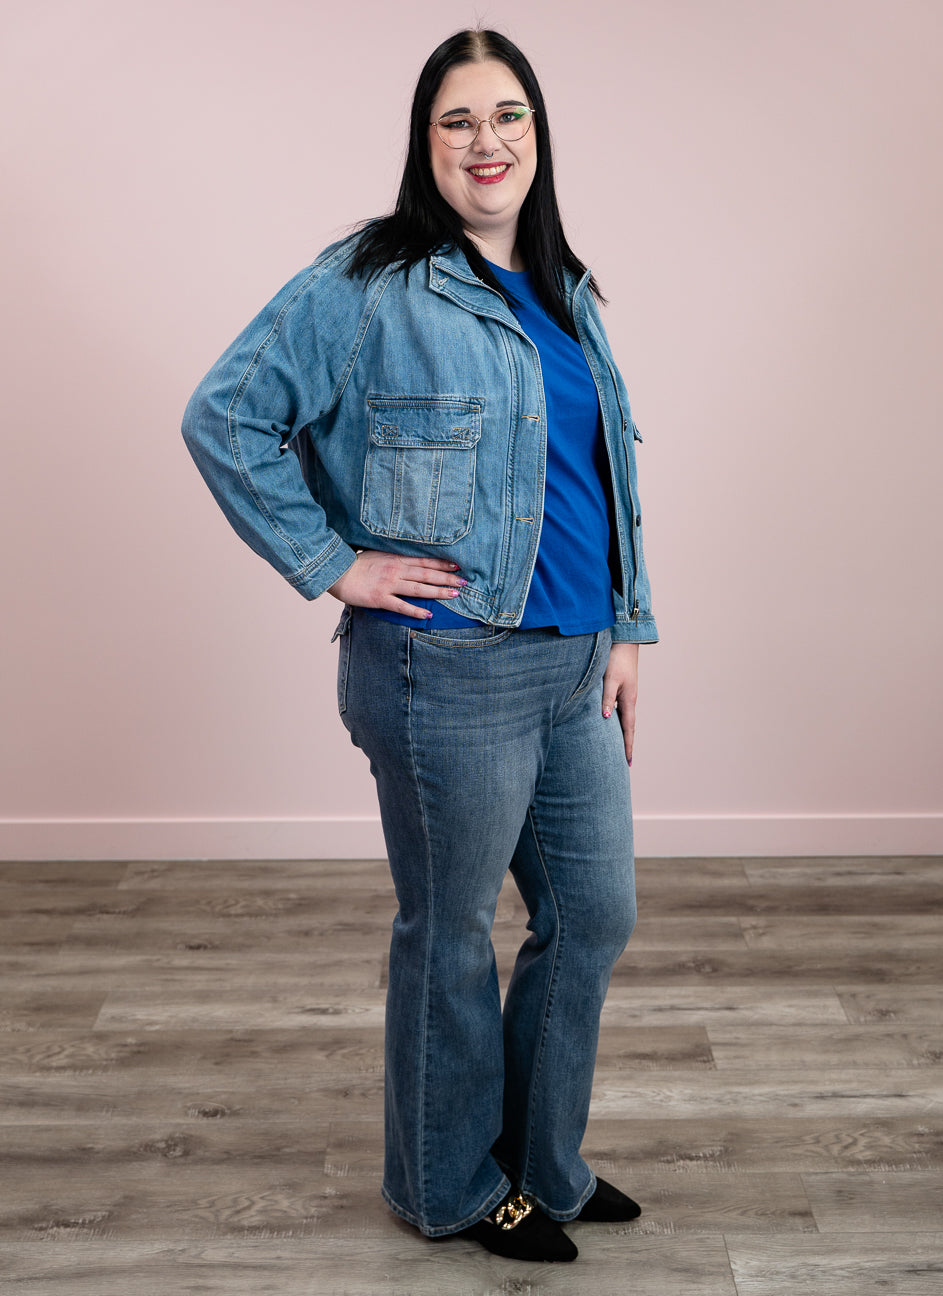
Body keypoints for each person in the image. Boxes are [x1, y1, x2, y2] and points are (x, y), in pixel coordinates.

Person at [182, 27, 657, 1264]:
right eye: (458, 120)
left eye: (507, 116)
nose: (485, 140)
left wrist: (628, 626)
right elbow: (225, 416)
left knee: (593, 916)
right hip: (447, 670)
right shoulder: (370, 282)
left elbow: (605, 478)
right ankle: (446, 1185)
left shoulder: (566, 287)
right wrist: (334, 564)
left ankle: (541, 1166)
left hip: (574, 662)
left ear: (537, 135)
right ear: (425, 142)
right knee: (448, 936)